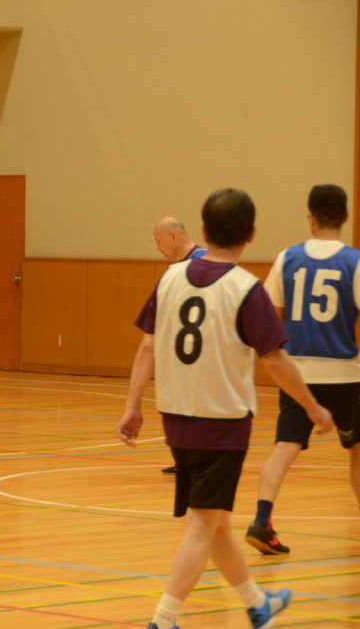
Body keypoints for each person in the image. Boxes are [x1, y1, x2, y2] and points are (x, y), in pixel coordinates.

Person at [117, 188, 333, 629]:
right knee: (203, 524)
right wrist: (313, 407)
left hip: (175, 420)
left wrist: (132, 406)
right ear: (252, 233)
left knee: (214, 522)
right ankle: (163, 620)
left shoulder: (170, 278)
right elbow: (275, 360)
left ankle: (257, 604)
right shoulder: (245, 288)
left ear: (202, 229)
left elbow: (147, 346)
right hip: (221, 424)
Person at [245, 184, 360, 555]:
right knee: (356, 449)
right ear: (345, 216)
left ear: (310, 217)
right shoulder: (355, 262)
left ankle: (262, 520)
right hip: (345, 374)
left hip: (296, 373)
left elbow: (266, 312)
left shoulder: (288, 258)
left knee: (285, 446)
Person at [152, 216, 208, 475]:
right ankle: (183, 461)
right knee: (176, 407)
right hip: (179, 353)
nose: (158, 248)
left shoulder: (203, 262)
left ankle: (198, 461)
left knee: (196, 408)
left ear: (173, 236)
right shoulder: (177, 269)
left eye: (159, 241)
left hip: (200, 354)